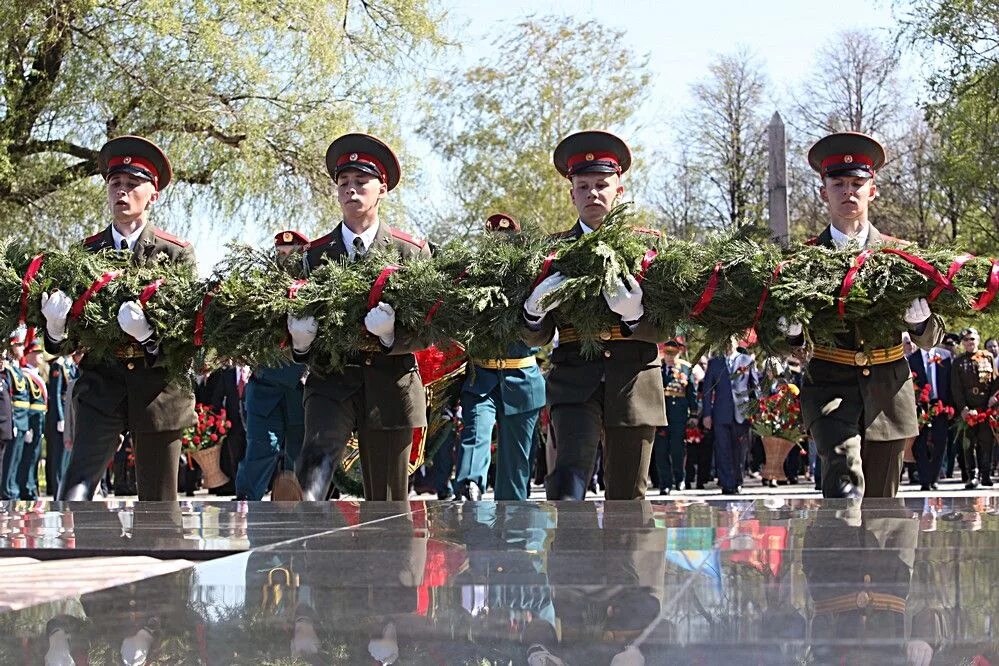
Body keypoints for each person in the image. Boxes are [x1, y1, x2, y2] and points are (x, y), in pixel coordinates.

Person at [779, 131, 944, 499]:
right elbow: (782, 340)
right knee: (843, 489)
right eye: (838, 183)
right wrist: (790, 333)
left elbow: (934, 336)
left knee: (883, 513)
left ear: (874, 190)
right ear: (823, 191)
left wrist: (919, 324)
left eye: (858, 183)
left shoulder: (903, 256)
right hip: (830, 390)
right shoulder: (801, 261)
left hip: (888, 391)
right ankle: (833, 557)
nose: (848, 191)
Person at [41, 135, 197, 501]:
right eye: (115, 184)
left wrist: (148, 336)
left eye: (132, 184)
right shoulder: (86, 252)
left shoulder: (175, 253)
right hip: (102, 386)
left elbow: (186, 334)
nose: (121, 192)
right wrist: (55, 327)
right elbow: (66, 343)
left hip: (158, 391)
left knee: (159, 512)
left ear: (153, 195)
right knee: (72, 498)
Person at [283, 133, 431, 501]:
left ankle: (393, 556)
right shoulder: (313, 256)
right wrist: (299, 343)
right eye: (343, 182)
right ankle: (304, 510)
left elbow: (432, 328)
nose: (351, 190)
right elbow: (285, 319)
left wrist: (390, 336)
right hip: (331, 377)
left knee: (387, 501)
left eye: (361, 182)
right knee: (317, 452)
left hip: (390, 382)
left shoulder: (409, 251)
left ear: (382, 189)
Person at [521, 130, 666, 500]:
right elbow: (533, 335)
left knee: (629, 498)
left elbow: (670, 323)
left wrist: (636, 316)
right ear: (572, 195)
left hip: (634, 380)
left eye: (602, 184)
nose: (593, 193)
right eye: (583, 186)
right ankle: (569, 560)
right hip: (574, 380)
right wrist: (533, 314)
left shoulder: (652, 247)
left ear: (619, 191)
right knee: (566, 485)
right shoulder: (552, 253)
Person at [453, 214, 546, 501]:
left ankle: (513, 531)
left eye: (506, 240)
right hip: (482, 378)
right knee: (475, 434)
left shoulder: (532, 279)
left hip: (522, 379)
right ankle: (469, 489)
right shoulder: (471, 281)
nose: (499, 245)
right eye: (494, 239)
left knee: (515, 466)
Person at [235, 231, 309, 501]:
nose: (285, 259)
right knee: (260, 449)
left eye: (291, 254)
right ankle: (246, 508)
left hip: (299, 387)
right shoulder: (259, 290)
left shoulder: (315, 289)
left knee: (299, 456)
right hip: (264, 385)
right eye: (280, 254)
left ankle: (300, 521)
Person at [701, 337, 759, 494]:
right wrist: (707, 414)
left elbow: (754, 388)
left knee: (740, 451)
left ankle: (738, 481)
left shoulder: (746, 360)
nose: (727, 344)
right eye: (724, 341)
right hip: (721, 413)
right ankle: (727, 484)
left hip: (742, 413)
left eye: (730, 341)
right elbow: (707, 390)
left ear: (736, 343)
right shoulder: (715, 362)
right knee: (722, 449)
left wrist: (756, 411)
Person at [950, 327, 998, 489]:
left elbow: (995, 381)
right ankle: (973, 475)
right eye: (966, 340)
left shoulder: (988, 357)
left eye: (972, 339)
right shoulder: (958, 361)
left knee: (986, 442)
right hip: (968, 409)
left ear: (977, 339)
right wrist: (962, 408)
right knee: (968, 444)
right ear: (962, 343)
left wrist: (993, 398)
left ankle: (986, 475)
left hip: (985, 408)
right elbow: (955, 387)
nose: (970, 342)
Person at [908, 343, 953, 491]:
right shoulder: (912, 359)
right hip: (921, 407)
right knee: (920, 445)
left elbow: (951, 383)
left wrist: (952, 407)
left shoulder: (945, 356)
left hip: (941, 404)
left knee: (940, 443)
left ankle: (934, 478)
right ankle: (925, 479)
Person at [653, 340, 697, 495]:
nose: (670, 357)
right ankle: (665, 483)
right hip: (661, 416)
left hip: (679, 415)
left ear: (679, 353)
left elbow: (691, 393)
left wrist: (694, 414)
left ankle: (679, 479)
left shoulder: (685, 368)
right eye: (668, 353)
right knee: (661, 451)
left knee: (677, 450)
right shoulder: (657, 368)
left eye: (674, 353)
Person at [0, 330, 29, 500]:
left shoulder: (17, 370)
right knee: (8, 461)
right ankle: (7, 491)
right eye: (17, 345)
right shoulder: (8, 370)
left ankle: (11, 490)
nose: (21, 348)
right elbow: (9, 398)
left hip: (18, 419)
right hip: (12, 419)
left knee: (15, 459)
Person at [18, 338, 47, 499]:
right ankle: (27, 488)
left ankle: (32, 486)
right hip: (31, 419)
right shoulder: (25, 374)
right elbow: (26, 400)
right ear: (28, 355)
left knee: (35, 455)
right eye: (36, 353)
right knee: (28, 456)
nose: (40, 356)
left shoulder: (36, 374)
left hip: (39, 418)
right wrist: (28, 425)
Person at [45, 353, 72, 497]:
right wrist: (60, 418)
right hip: (60, 415)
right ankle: (58, 492)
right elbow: (55, 394)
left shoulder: (69, 364)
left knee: (67, 456)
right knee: (59, 457)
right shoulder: (58, 365)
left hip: (69, 413)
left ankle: (64, 489)